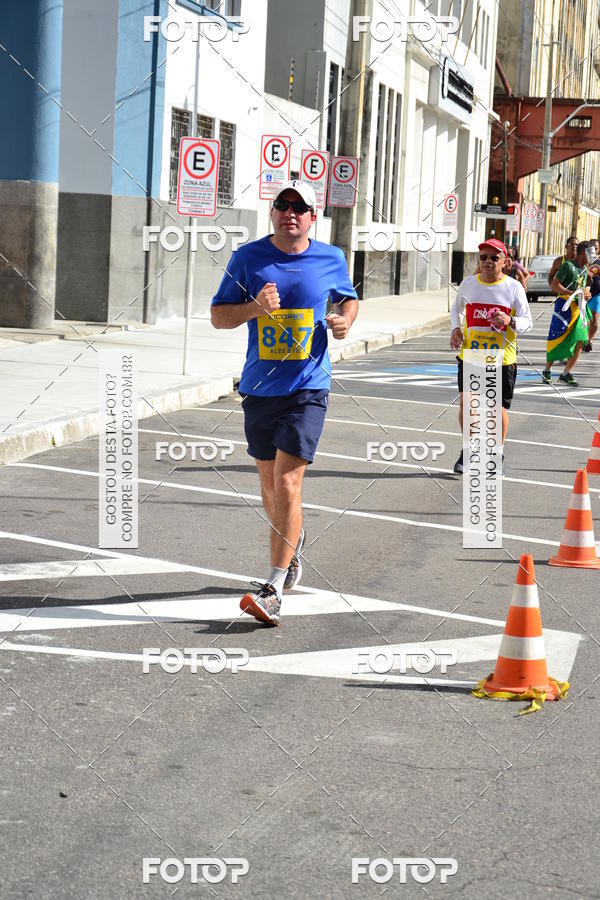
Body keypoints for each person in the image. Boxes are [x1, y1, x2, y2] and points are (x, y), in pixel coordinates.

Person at [211, 180, 358, 626]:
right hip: (260, 388)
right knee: (271, 487)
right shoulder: (248, 257)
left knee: (289, 483)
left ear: (313, 217)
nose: (290, 212)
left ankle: (272, 587)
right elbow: (219, 316)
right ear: (272, 213)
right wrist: (254, 307)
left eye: (300, 207)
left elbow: (349, 300)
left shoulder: (330, 258)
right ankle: (293, 547)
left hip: (308, 387)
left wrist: (343, 322)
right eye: (282, 205)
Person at [450, 238, 533, 475]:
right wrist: (455, 329)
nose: (487, 262)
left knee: (496, 410)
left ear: (505, 261)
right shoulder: (468, 285)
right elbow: (455, 310)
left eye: (494, 258)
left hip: (501, 359)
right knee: (467, 403)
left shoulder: (513, 287)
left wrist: (511, 321)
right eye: (483, 257)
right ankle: (468, 451)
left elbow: (528, 322)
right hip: (471, 356)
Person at [542, 240, 591, 386]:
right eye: (591, 252)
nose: (594, 255)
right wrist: (572, 293)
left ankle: (566, 372)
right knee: (557, 337)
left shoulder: (586, 269)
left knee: (581, 340)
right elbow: (554, 284)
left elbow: (584, 286)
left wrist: (586, 293)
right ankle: (547, 370)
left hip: (580, 308)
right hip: (564, 307)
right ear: (583, 252)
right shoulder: (568, 266)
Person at [582, 238, 600, 352]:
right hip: (583, 294)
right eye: (591, 248)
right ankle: (583, 339)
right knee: (584, 319)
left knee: (594, 320)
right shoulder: (584, 260)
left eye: (596, 248)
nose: (593, 250)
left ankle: (589, 341)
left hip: (597, 294)